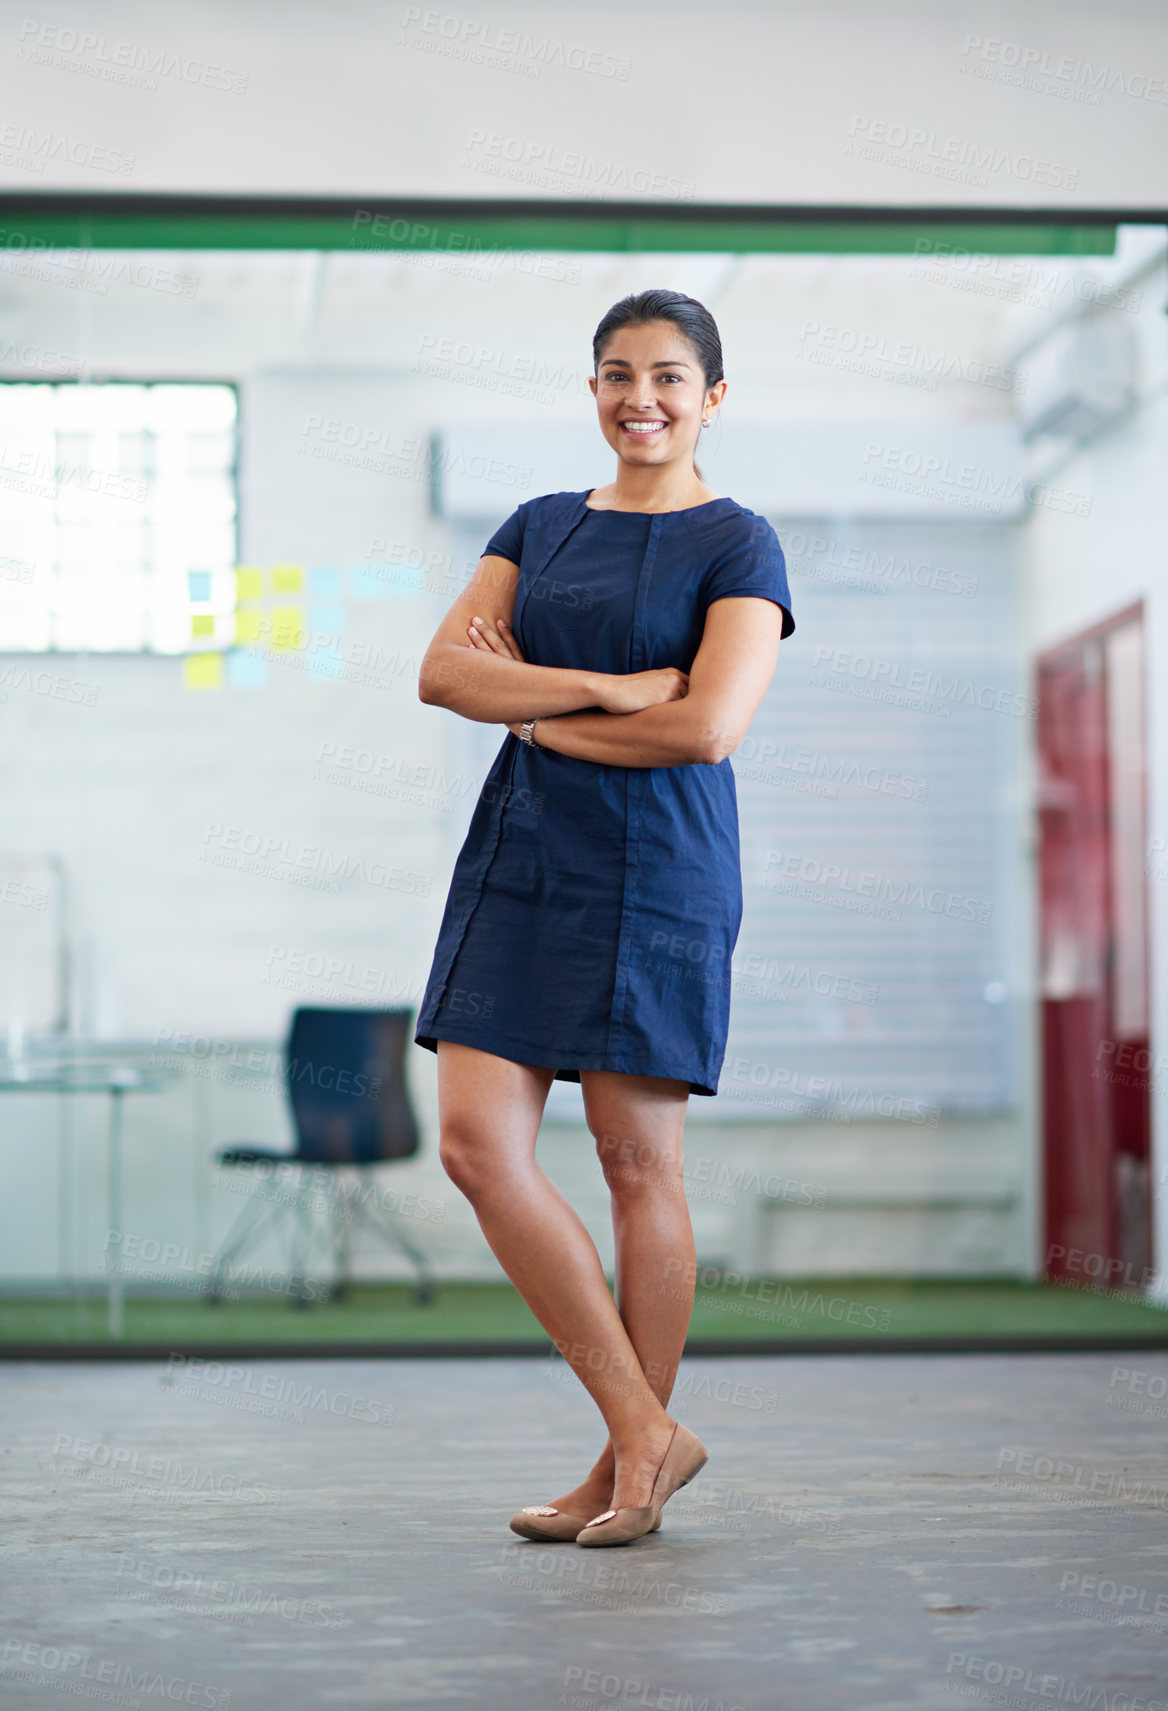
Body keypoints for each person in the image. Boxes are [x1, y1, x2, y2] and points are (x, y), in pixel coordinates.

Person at [414, 288, 796, 1547]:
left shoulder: (741, 546)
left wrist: (524, 707)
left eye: (671, 376)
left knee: (639, 1166)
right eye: (618, 373)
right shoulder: (536, 523)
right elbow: (443, 672)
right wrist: (593, 688)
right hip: (523, 859)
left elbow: (707, 726)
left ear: (712, 398)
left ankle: (623, 1462)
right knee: (476, 1146)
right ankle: (645, 1429)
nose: (643, 396)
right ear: (591, 390)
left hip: (662, 874)